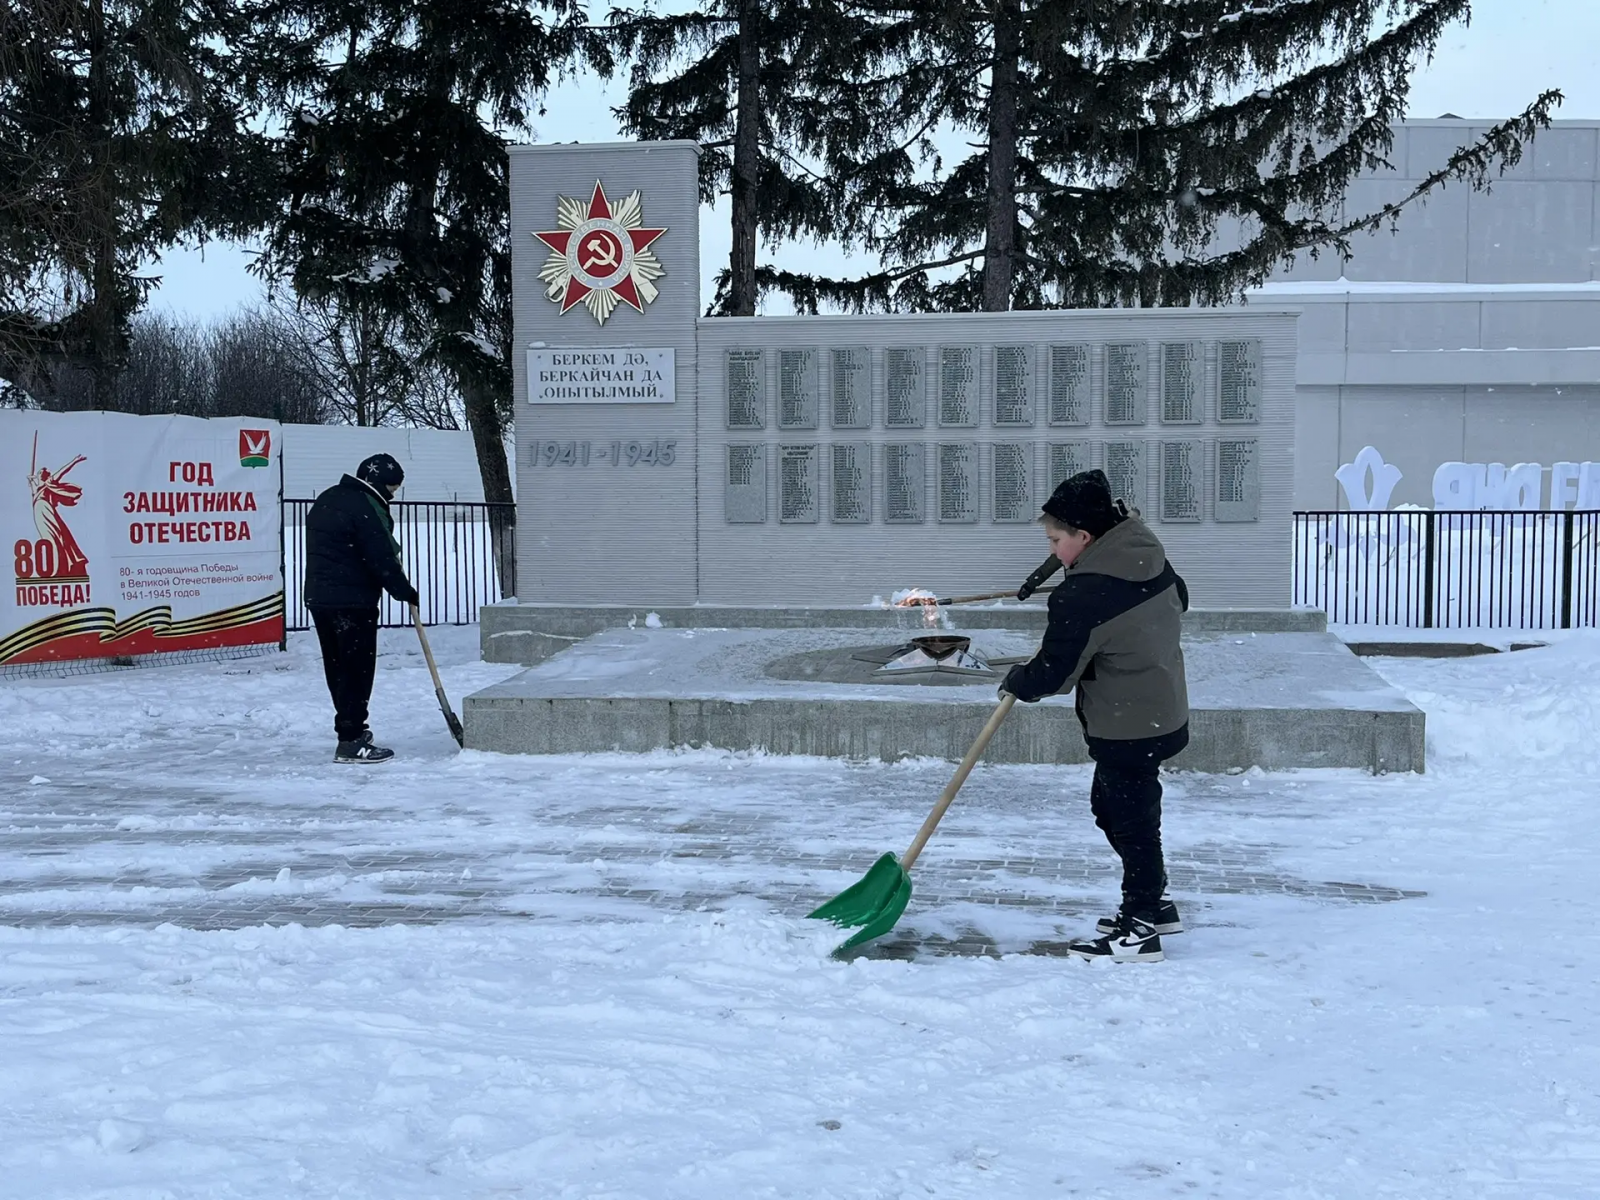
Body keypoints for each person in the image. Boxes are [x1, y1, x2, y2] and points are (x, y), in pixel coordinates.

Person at [998, 469, 1190, 963]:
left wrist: (1018, 679)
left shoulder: (1084, 596)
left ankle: (1140, 927)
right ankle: (1155, 903)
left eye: (1055, 540)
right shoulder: (1144, 552)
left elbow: (1053, 675)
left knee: (1131, 823)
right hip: (1159, 707)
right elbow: (1181, 598)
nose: (1052, 550)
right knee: (1114, 812)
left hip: (1128, 723)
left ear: (1084, 537)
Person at [303, 453, 421, 764]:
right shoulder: (365, 506)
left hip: (320, 597)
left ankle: (350, 728)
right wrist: (403, 590)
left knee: (338, 668)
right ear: (377, 482)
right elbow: (379, 554)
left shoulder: (329, 497)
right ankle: (351, 740)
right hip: (352, 600)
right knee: (356, 670)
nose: (393, 494)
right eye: (392, 488)